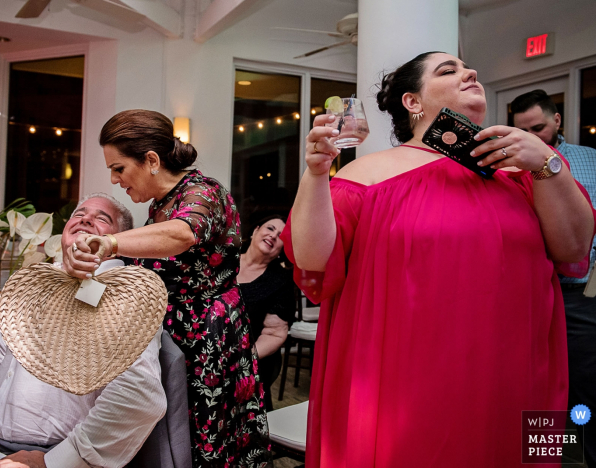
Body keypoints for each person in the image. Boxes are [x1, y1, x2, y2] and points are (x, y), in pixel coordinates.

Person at [283, 51, 596, 467]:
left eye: (468, 66)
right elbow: (312, 258)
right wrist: (317, 173)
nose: (471, 72)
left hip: (517, 370)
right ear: (412, 102)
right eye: (449, 70)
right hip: (411, 379)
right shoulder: (368, 174)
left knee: (524, 452)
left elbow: (575, 249)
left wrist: (545, 161)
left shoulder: (522, 173)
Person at [0, 193, 168, 468]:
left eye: (102, 219)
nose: (85, 218)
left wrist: (53, 461)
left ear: (119, 244)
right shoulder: (42, 284)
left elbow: (139, 395)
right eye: (79, 214)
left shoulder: (126, 298)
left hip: (46, 452)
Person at [64, 110, 271, 467]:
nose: (115, 181)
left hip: (207, 341)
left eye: (119, 169)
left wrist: (110, 243)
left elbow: (182, 233)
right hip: (174, 338)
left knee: (206, 442)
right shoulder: (159, 206)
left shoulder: (204, 192)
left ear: (152, 161)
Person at [512, 89, 596, 465]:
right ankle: (548, 457)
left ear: (557, 120)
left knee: (582, 380)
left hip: (580, 291)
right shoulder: (511, 163)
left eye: (539, 127)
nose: (533, 136)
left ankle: (583, 458)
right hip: (530, 291)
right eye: (524, 130)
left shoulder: (590, 160)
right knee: (538, 379)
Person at [237, 215, 294, 412]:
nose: (273, 236)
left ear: (282, 250)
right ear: (255, 231)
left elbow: (275, 333)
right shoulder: (224, 260)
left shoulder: (281, 281)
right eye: (270, 228)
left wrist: (241, 359)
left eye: (280, 236)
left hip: (245, 362)